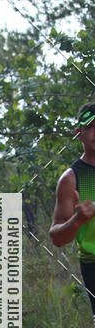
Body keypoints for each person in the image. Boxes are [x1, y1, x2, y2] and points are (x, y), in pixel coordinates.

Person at [50, 101, 95, 316]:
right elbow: (57, 237)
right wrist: (76, 220)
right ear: (79, 133)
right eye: (91, 127)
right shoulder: (70, 179)